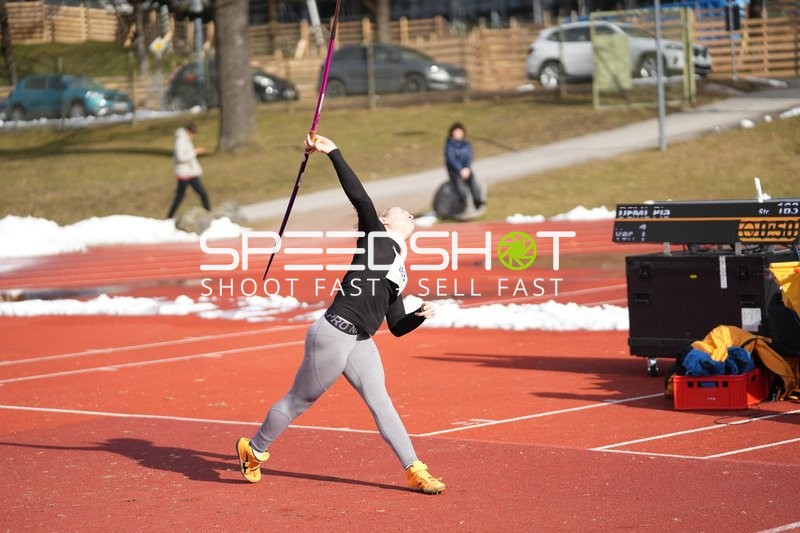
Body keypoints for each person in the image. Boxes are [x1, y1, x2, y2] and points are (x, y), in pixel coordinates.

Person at [235, 133, 446, 495]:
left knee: (382, 403)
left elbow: (395, 326)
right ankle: (253, 449)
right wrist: (332, 152)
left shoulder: (399, 269)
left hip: (362, 340)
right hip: (334, 332)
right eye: (400, 210)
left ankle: (415, 468)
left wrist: (418, 316)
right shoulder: (375, 237)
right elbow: (360, 198)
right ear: (383, 219)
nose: (409, 213)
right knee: (299, 401)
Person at [167, 121, 211, 219]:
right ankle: (169, 217)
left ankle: (208, 213)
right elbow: (181, 157)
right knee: (180, 197)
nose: (193, 136)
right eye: (192, 134)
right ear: (187, 131)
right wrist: (195, 152)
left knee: (201, 194)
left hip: (190, 173)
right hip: (184, 173)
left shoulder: (186, 140)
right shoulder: (180, 141)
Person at [444, 121, 483, 211]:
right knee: (459, 183)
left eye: (460, 132)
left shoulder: (466, 144)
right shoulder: (449, 145)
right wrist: (460, 169)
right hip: (454, 170)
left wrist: (467, 168)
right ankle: (463, 201)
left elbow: (469, 157)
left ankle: (477, 200)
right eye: (456, 132)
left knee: (473, 181)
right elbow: (451, 158)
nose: (458, 134)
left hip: (466, 169)